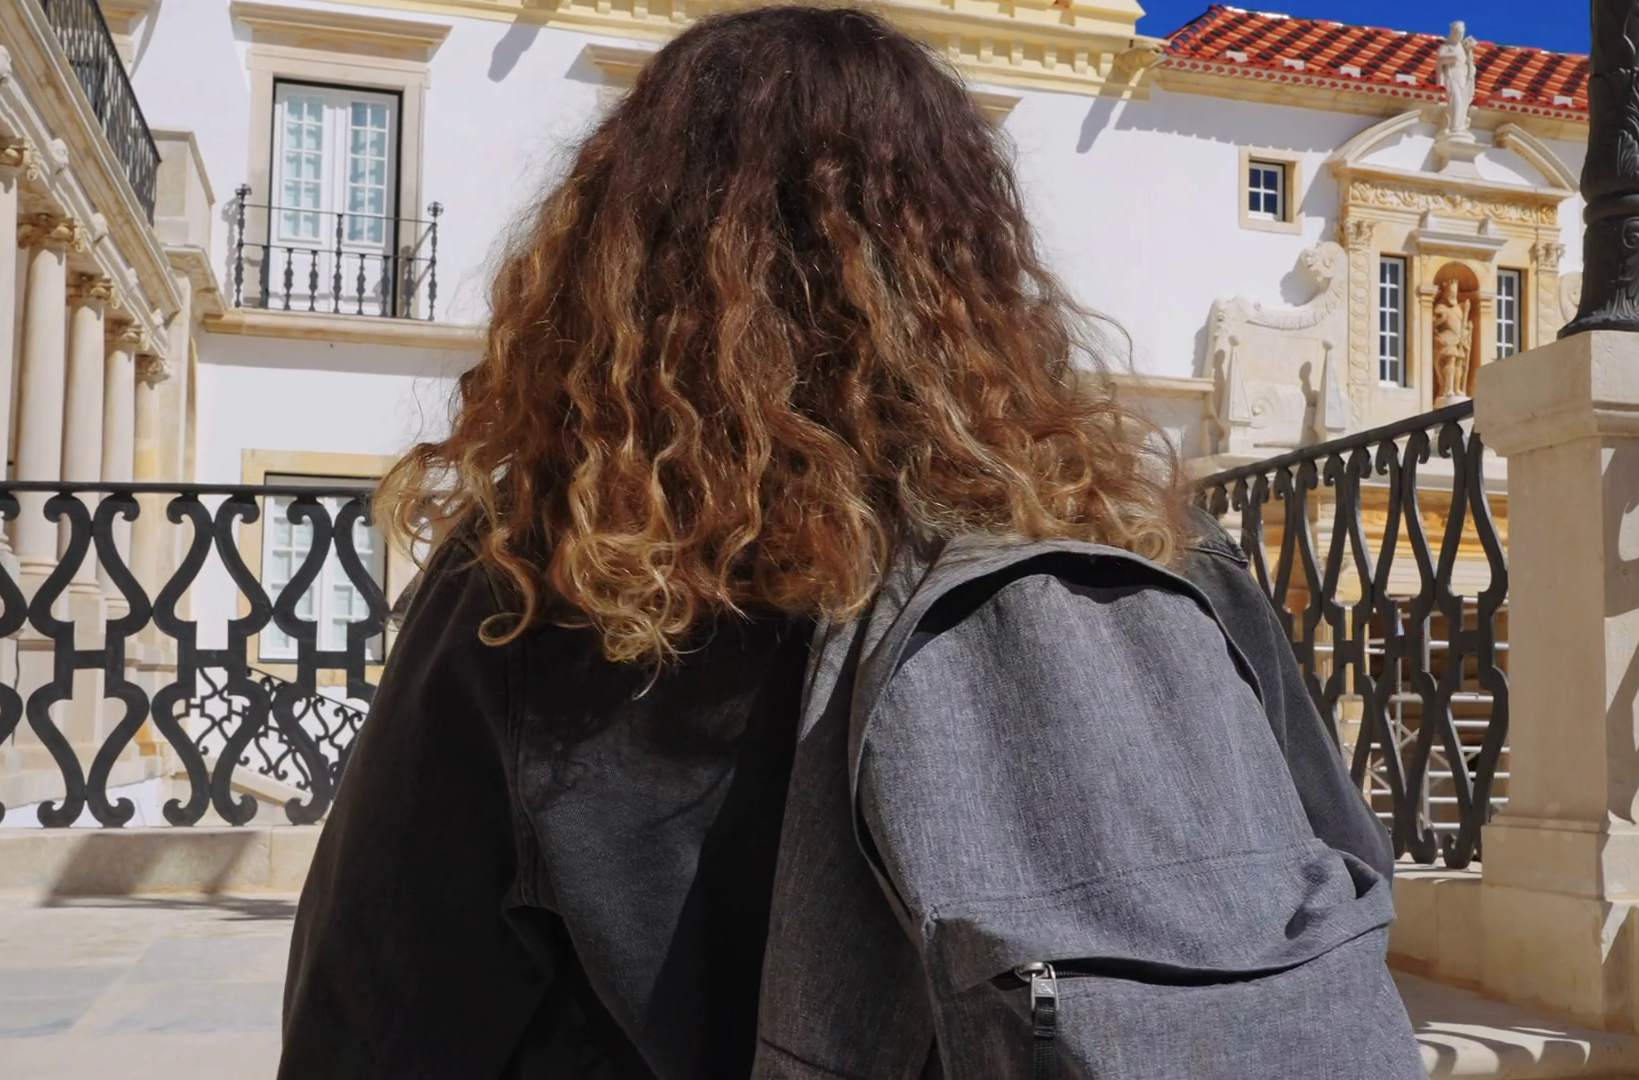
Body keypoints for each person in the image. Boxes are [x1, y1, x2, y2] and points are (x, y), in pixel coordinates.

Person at [278, 7, 1419, 1078]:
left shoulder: (552, 579)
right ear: (973, 259)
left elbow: (370, 1014)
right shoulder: (1159, 550)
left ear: (623, 254)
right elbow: (1340, 878)